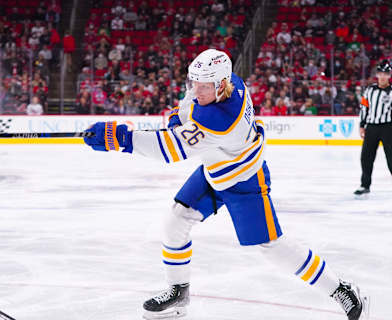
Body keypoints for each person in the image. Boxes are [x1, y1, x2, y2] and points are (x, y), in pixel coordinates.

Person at [83, 49, 368, 320]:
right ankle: (179, 293)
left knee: (271, 246)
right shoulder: (228, 82)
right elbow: (187, 109)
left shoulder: (220, 120)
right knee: (175, 221)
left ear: (220, 85)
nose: (196, 90)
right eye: (194, 83)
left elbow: (169, 149)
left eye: (204, 86)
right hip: (215, 169)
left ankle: (342, 289)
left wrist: (120, 138)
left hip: (245, 180)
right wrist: (177, 117)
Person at [354, 59, 392, 196]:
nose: (383, 76)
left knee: (391, 159)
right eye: (380, 73)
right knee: (366, 157)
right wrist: (362, 125)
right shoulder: (370, 90)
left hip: (388, 127)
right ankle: (365, 185)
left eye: (385, 73)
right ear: (377, 74)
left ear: (389, 75)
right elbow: (364, 108)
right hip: (371, 128)